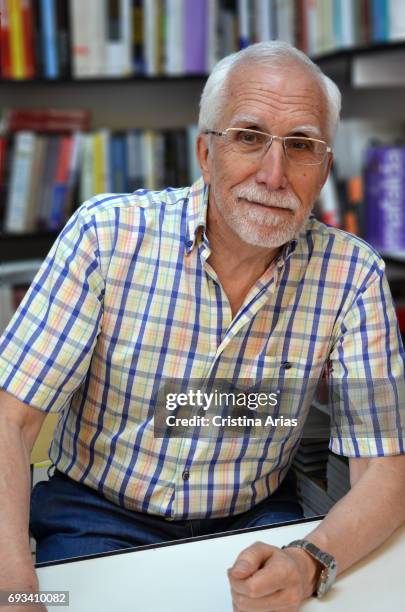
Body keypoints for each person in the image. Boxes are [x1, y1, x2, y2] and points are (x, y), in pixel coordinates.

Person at [0, 40, 404, 611]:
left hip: (256, 524)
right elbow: (9, 421)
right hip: (96, 511)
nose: (273, 174)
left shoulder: (354, 274)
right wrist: (13, 585)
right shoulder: (107, 236)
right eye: (248, 136)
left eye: (302, 146)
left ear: (325, 168)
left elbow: (383, 467)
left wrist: (311, 561)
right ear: (205, 153)